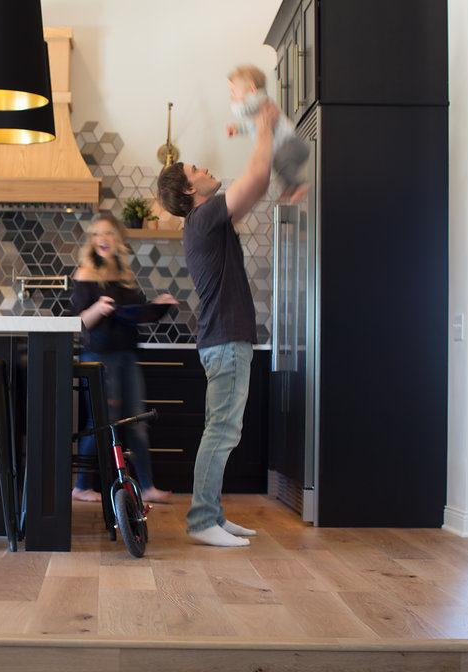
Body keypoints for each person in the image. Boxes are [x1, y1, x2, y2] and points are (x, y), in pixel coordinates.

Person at [155, 95, 279, 547]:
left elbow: (256, 185)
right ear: (190, 191)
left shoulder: (209, 221)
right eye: (195, 170)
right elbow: (258, 176)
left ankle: (213, 514)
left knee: (222, 429)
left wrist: (257, 132)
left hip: (224, 340)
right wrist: (263, 123)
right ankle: (203, 519)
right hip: (226, 341)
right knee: (222, 431)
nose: (202, 167)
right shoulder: (205, 217)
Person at [71, 212, 178, 504]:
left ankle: (147, 487)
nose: (103, 239)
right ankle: (81, 486)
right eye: (97, 234)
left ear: (118, 240)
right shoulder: (85, 274)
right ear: (92, 241)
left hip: (127, 356)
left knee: (137, 422)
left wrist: (158, 306)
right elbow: (81, 322)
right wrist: (99, 308)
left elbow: (137, 314)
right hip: (99, 356)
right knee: (103, 421)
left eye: (109, 233)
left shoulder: (124, 276)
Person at [226, 64, 309, 204]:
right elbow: (251, 126)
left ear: (252, 89)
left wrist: (235, 104)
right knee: (277, 164)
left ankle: (300, 185)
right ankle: (291, 186)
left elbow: (243, 110)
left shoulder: (261, 100)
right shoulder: (256, 112)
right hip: (287, 146)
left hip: (292, 144)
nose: (231, 96)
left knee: (281, 161)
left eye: (234, 91)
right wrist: (238, 129)